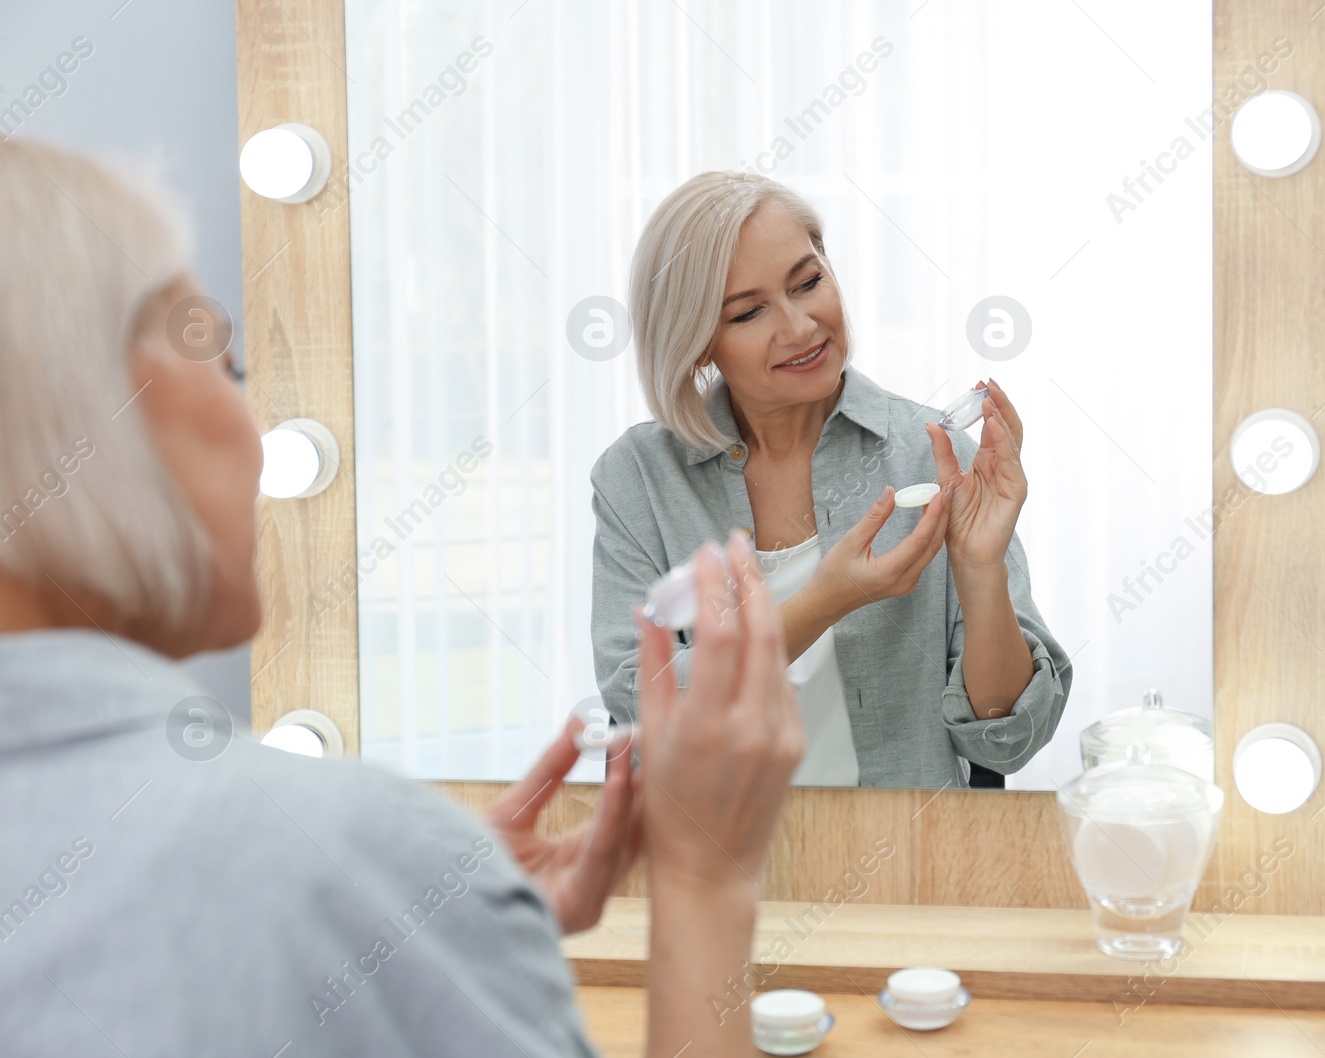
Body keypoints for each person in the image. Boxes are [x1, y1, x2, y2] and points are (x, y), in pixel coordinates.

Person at [0, 137, 802, 1057]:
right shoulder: (331, 862)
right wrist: (706, 884)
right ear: (84, 412)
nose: (258, 435)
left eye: (807, 281)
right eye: (225, 366)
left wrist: (426, 927)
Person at [590, 171, 1072, 788]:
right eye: (749, 312)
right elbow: (643, 697)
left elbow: (1008, 742)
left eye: (808, 282)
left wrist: (981, 571)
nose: (800, 327)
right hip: (717, 868)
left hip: (901, 866)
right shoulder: (640, 479)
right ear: (699, 343)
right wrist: (826, 600)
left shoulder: (935, 455)